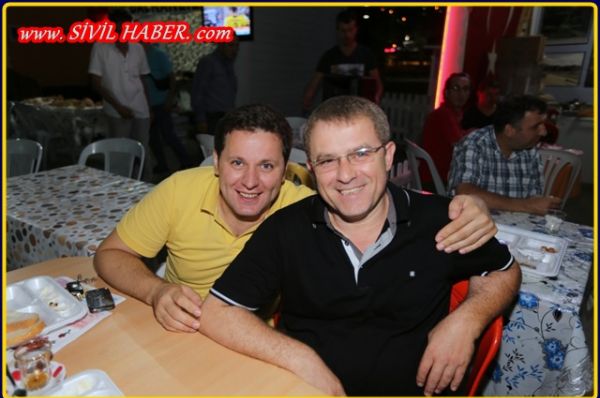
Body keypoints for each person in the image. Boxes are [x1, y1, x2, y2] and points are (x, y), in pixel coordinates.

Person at [198, 96, 521, 396]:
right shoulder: (286, 229)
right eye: (327, 160)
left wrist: (467, 320)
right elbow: (218, 311)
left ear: (388, 156)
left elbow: (504, 271)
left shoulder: (440, 221)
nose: (345, 174)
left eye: (361, 153)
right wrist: (300, 359)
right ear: (311, 169)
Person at [94, 103, 499, 335]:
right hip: (176, 333)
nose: (250, 182)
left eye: (267, 166)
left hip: (255, 340)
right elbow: (110, 255)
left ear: (289, 169)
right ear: (216, 162)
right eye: (237, 163)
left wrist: (467, 206)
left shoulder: (307, 209)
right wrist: (157, 292)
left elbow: (379, 204)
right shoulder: (179, 190)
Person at [447, 95, 561, 215]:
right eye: (535, 127)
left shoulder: (530, 150)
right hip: (474, 222)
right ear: (509, 131)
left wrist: (539, 205)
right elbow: (465, 193)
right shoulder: (475, 144)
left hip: (517, 223)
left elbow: (534, 199)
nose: (544, 132)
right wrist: (526, 206)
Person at [88, 9, 152, 179]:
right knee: (120, 153)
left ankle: (146, 187)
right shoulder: (100, 48)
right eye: (118, 28)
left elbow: (143, 79)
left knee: (143, 151)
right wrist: (118, 107)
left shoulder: (137, 48)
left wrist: (149, 108)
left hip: (140, 107)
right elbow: (96, 83)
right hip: (116, 110)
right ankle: (119, 187)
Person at [302, 10, 383, 111]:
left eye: (350, 30)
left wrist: (375, 100)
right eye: (343, 31)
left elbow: (377, 84)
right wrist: (307, 98)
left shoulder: (366, 55)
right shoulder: (329, 56)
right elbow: (314, 83)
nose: (347, 35)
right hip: (334, 109)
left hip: (359, 110)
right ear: (337, 31)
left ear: (356, 30)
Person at [142, 43, 193, 174]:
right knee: (153, 138)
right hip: (148, 104)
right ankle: (162, 165)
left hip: (161, 102)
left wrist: (169, 99)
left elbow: (171, 78)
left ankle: (187, 162)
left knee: (169, 135)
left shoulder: (158, 55)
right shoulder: (139, 55)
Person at [421, 72, 470, 185]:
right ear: (447, 92)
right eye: (456, 88)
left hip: (438, 178)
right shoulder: (443, 114)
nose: (461, 94)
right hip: (437, 181)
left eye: (465, 89)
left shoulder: (452, 114)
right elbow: (460, 145)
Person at [191, 36, 239, 138]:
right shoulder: (208, 62)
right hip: (211, 118)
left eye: (236, 46)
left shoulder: (229, 65)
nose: (234, 49)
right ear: (221, 45)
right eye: (230, 45)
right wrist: (200, 119)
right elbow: (198, 92)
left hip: (226, 117)